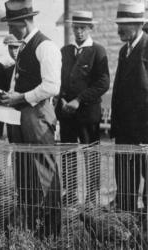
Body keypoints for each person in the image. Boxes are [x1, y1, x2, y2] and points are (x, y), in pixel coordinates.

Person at [0, 0, 62, 237]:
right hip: (22, 115)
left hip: (37, 115)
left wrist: (20, 97)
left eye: (12, 25)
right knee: (25, 170)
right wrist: (11, 98)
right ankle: (29, 227)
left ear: (24, 22)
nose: (9, 31)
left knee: (44, 172)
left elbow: (52, 86)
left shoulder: (45, 46)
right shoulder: (25, 46)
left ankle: (50, 232)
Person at [55, 11, 110, 204]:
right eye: (76, 28)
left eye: (83, 28)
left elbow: (103, 83)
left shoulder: (98, 51)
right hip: (66, 114)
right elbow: (59, 79)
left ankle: (92, 197)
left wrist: (79, 100)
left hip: (88, 114)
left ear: (90, 29)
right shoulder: (65, 51)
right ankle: (70, 194)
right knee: (68, 153)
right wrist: (61, 99)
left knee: (91, 154)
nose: (78, 32)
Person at [111, 1, 148, 213]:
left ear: (137, 24)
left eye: (123, 24)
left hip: (144, 131)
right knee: (125, 186)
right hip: (125, 133)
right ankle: (127, 229)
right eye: (118, 23)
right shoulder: (124, 50)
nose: (119, 29)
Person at [3, 34, 22, 142]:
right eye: (10, 47)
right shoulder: (8, 70)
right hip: (11, 116)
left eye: (16, 47)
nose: (13, 51)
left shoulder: (30, 69)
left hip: (25, 116)